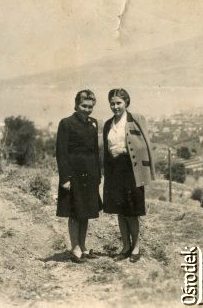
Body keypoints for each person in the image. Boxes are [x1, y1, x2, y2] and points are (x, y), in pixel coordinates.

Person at [103, 88, 155, 263]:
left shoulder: (136, 119)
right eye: (112, 103)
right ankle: (125, 246)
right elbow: (106, 150)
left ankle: (136, 247)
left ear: (126, 103)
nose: (115, 106)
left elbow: (146, 144)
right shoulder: (107, 124)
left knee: (132, 211)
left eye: (119, 103)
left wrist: (148, 171)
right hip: (114, 171)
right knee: (120, 210)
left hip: (132, 169)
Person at [56, 89, 102, 263]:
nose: (87, 109)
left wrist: (98, 175)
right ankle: (74, 247)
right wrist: (65, 178)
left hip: (90, 174)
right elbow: (61, 152)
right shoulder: (66, 123)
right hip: (73, 175)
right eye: (84, 106)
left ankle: (83, 246)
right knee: (75, 213)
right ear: (76, 105)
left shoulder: (94, 123)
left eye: (90, 107)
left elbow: (95, 153)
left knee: (86, 211)